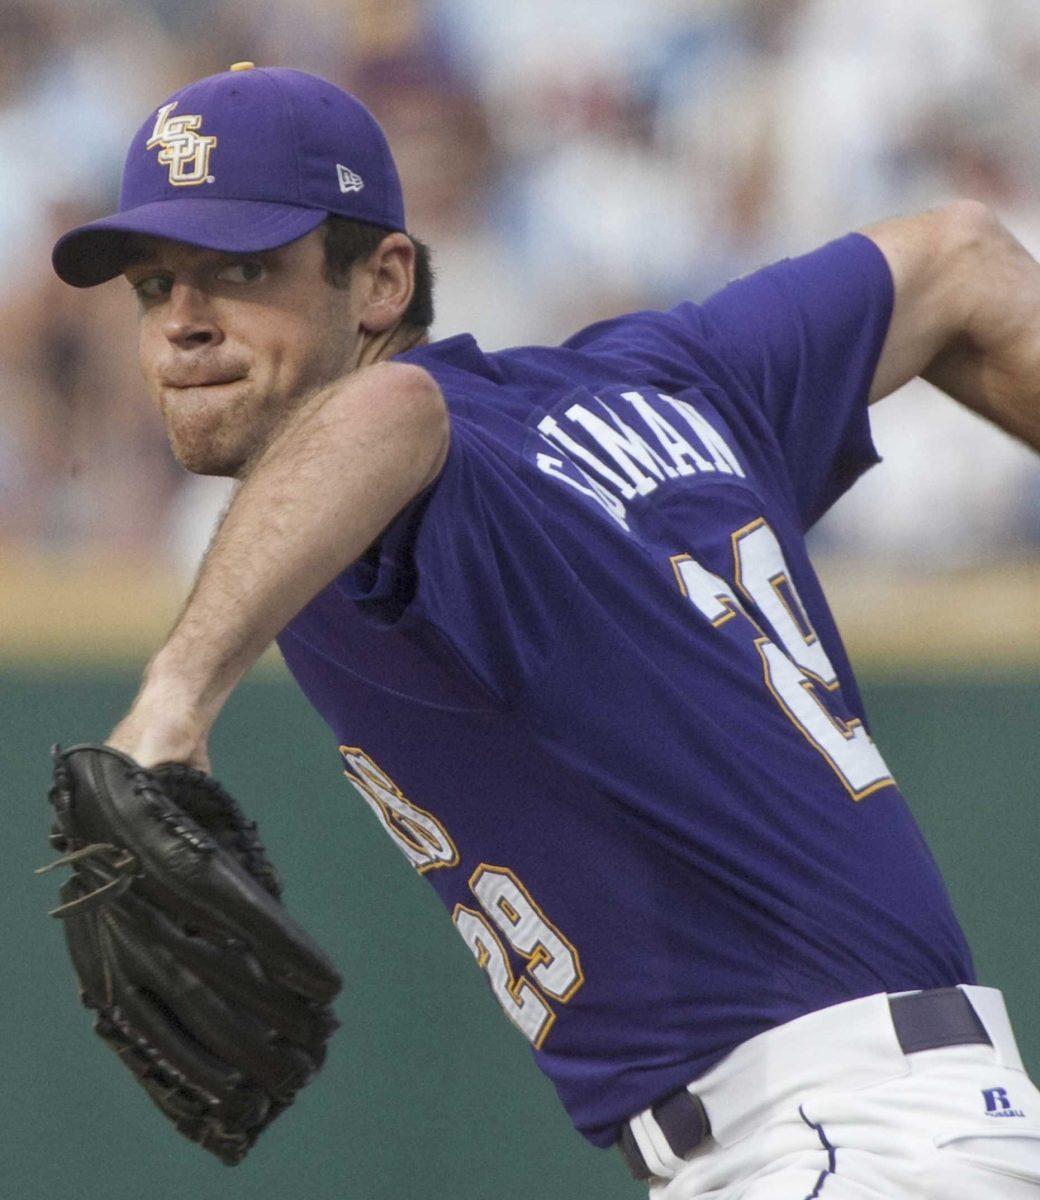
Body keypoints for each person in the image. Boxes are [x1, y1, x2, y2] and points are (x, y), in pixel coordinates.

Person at [52, 64, 1040, 1199]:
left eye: (241, 269)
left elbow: (389, 410)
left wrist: (169, 703)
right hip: (899, 1129)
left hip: (837, 1140)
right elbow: (961, 261)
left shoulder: (408, 447)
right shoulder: (663, 383)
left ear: (380, 281)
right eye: (151, 285)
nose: (183, 322)